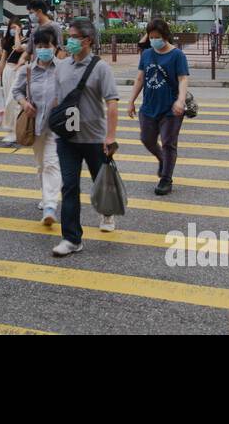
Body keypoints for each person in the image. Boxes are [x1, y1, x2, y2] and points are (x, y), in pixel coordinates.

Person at [51, 18, 120, 257]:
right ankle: (71, 239)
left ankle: (107, 212)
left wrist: (110, 137)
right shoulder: (61, 66)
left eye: (73, 37)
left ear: (87, 40)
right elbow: (57, 101)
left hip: (94, 139)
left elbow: (112, 103)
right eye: (67, 37)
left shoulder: (101, 68)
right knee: (69, 187)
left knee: (101, 183)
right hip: (67, 140)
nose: (68, 41)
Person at [128, 19, 190, 196]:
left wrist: (180, 100)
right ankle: (162, 159)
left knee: (168, 143)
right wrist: (131, 100)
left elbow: (183, 79)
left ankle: (166, 179)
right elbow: (140, 78)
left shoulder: (177, 55)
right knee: (146, 139)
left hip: (170, 109)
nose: (155, 40)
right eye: (152, 37)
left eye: (158, 37)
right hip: (148, 107)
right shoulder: (147, 54)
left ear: (165, 36)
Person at [12, 27, 63, 226]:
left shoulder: (63, 68)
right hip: (35, 125)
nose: (43, 50)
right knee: (41, 164)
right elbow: (16, 92)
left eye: (47, 46)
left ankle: (50, 206)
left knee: (52, 163)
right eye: (40, 46)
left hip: (57, 126)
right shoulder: (27, 70)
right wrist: (24, 104)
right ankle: (46, 197)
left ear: (55, 47)